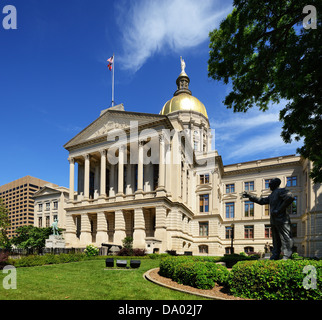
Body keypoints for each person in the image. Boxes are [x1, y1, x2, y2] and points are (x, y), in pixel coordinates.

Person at [243, 178, 294, 260]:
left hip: (282, 218)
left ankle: (287, 255)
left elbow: (290, 197)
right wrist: (250, 196)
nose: (269, 185)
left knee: (286, 237)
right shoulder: (272, 195)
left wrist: (279, 210)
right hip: (274, 220)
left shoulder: (281, 191)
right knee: (276, 239)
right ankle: (275, 254)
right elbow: (262, 201)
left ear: (275, 184)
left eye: (270, 183)